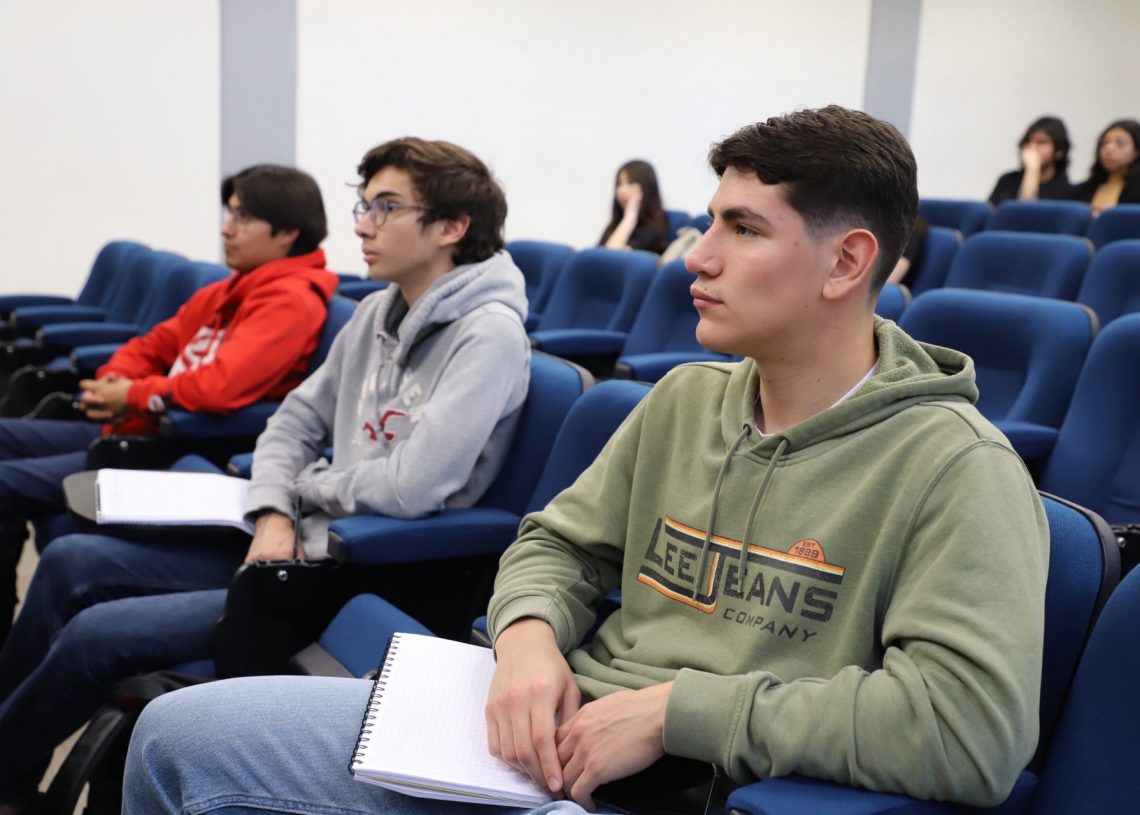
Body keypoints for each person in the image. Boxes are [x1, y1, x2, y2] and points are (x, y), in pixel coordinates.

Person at [121, 106, 1049, 814]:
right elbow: (554, 545)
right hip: (541, 739)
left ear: (846, 263)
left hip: (694, 786)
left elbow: (969, 729)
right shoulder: (686, 399)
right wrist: (527, 636)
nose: (697, 257)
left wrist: (675, 711)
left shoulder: (958, 468)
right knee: (172, 736)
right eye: (710, 223)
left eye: (743, 229)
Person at [0, 137, 530, 814]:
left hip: (354, 568)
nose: (362, 226)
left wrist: (297, 494)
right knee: (72, 560)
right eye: (363, 206)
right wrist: (276, 510)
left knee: (96, 633)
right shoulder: (376, 312)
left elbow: (409, 487)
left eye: (386, 207)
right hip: (289, 540)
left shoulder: (489, 335)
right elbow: (292, 423)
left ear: (451, 226)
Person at [0, 164, 336, 645]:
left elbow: (219, 387)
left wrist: (134, 395)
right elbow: (155, 344)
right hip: (134, 428)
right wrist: (116, 378)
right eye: (229, 214)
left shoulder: (291, 301)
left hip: (171, 449)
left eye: (242, 217)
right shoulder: (230, 288)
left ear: (287, 233)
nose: (226, 228)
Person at [987, 116, 1074, 206]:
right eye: (1027, 141)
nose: (1031, 147)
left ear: (1059, 152)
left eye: (1041, 142)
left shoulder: (1067, 191)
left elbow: (1027, 211)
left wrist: (1033, 169)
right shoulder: (1007, 181)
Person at [1069, 118, 1140, 214]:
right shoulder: (1081, 190)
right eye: (1104, 143)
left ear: (1137, 151)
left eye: (1120, 143)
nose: (1109, 148)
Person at [598, 159, 669, 253]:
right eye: (619, 184)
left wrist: (629, 218)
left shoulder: (651, 229)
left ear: (646, 188)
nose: (622, 190)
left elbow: (609, 257)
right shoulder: (614, 225)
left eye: (630, 183)